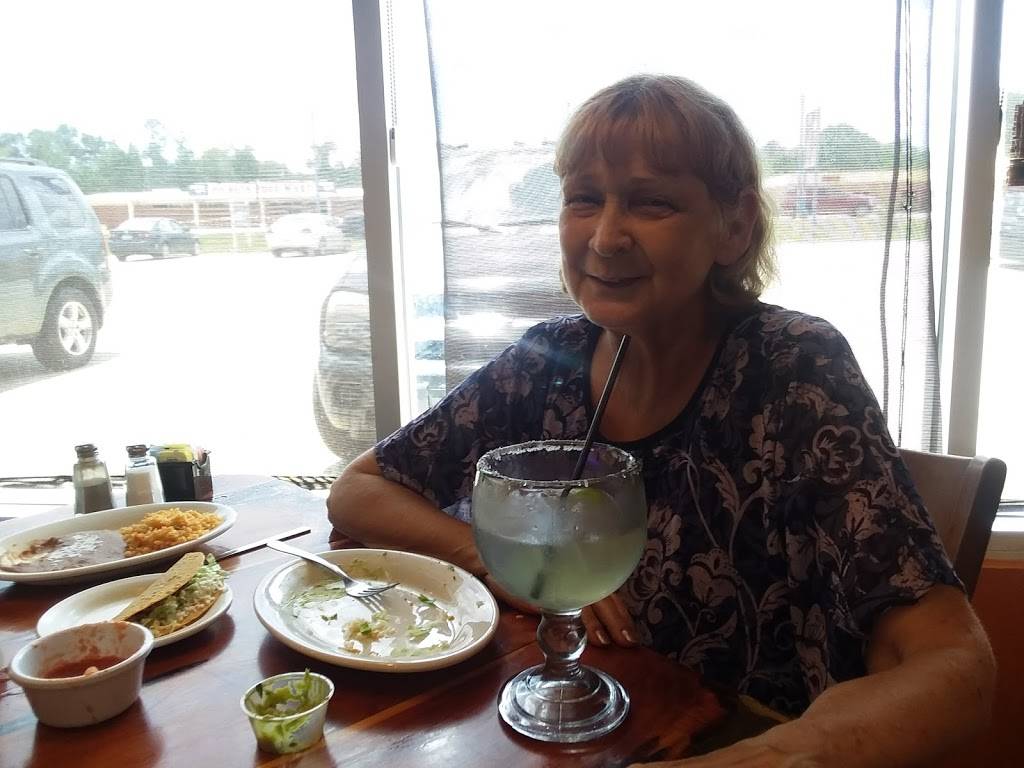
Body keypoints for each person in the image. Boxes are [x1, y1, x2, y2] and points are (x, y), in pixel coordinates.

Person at [328, 74, 995, 767]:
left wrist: (777, 756)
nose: (605, 236)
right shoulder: (547, 359)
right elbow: (359, 490)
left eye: (651, 202)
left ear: (734, 226)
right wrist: (494, 561)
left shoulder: (793, 369)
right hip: (571, 729)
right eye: (584, 198)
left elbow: (957, 669)